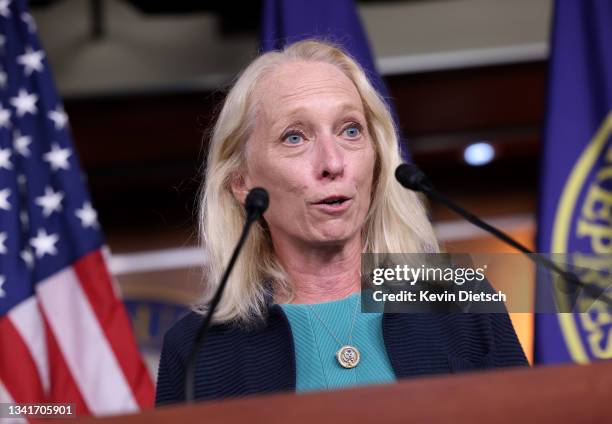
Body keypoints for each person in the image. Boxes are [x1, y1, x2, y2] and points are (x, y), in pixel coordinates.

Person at [155, 39, 528, 405]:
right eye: (295, 137)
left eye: (350, 130)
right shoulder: (196, 349)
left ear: (377, 159)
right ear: (242, 182)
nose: (333, 163)